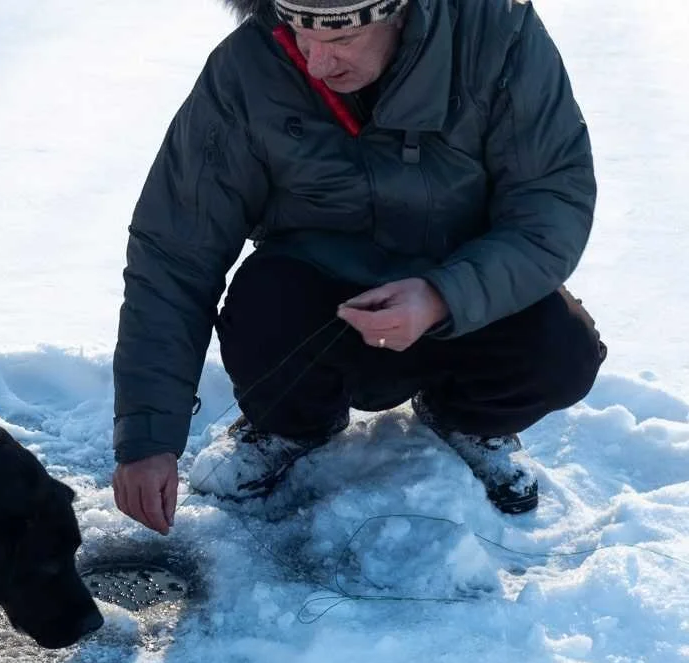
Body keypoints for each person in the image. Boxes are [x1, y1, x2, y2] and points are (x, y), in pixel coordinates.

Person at [111, 0, 605, 535]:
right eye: (301, 34)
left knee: (562, 350)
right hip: (322, 305)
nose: (317, 63)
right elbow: (176, 249)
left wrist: (443, 297)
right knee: (262, 310)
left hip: (463, 298)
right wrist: (148, 437)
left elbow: (551, 204)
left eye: (341, 40)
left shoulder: (498, 36)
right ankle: (290, 427)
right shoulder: (247, 70)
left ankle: (469, 420)